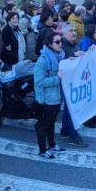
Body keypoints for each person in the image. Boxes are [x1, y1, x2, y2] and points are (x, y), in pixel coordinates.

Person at [34, 30, 68, 159]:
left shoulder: (60, 56)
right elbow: (39, 81)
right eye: (57, 42)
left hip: (56, 98)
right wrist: (57, 78)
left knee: (52, 123)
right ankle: (43, 150)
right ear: (49, 44)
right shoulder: (43, 60)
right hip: (46, 100)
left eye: (61, 41)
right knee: (43, 125)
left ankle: (52, 144)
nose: (60, 44)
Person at [58, 22, 88, 147]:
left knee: (68, 108)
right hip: (65, 81)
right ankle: (73, 136)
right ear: (64, 33)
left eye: (74, 30)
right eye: (70, 31)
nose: (74, 33)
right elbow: (60, 61)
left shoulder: (75, 45)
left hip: (73, 81)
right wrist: (73, 55)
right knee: (71, 108)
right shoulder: (61, 45)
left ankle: (65, 131)